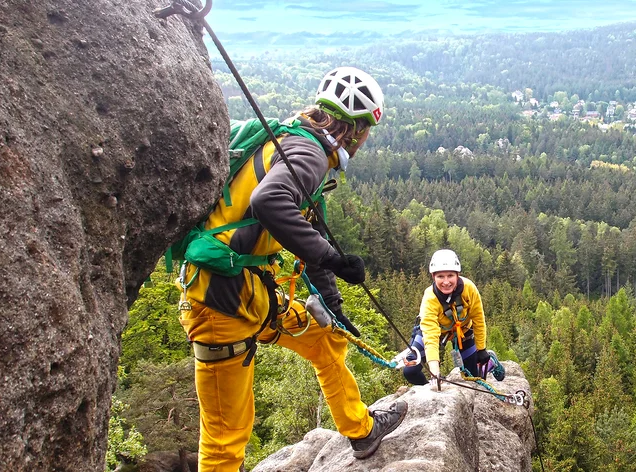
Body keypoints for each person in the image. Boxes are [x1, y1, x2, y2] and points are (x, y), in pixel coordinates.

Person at [178, 66, 406, 470]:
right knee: (226, 438)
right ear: (354, 129)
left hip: (249, 294)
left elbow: (310, 230)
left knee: (324, 337)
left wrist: (335, 307)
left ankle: (361, 431)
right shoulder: (309, 154)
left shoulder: (292, 141)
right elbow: (271, 203)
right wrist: (332, 257)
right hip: (220, 304)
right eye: (365, 133)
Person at [402, 249, 504, 388]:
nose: (446, 282)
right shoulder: (430, 298)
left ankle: (490, 362)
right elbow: (431, 336)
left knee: (472, 377)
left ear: (458, 275)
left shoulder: (469, 289)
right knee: (410, 371)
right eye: (440, 276)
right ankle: (433, 389)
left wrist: (481, 350)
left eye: (450, 275)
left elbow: (478, 319)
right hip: (436, 333)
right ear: (433, 276)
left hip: (463, 332)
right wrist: (435, 373)